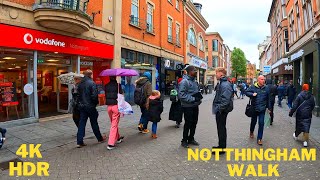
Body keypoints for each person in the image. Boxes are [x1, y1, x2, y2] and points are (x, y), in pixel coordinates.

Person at [76, 69, 106, 148]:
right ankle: (99, 138)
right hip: (90, 106)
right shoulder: (92, 83)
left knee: (81, 123)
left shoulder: (80, 84)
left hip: (82, 106)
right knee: (94, 123)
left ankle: (79, 141)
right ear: (90, 75)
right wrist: (95, 103)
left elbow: (77, 95)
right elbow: (94, 96)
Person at [178, 65, 202, 148]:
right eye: (194, 70)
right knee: (188, 123)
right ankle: (184, 140)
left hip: (195, 106)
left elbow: (196, 91)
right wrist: (193, 99)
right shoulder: (184, 82)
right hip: (187, 106)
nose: (196, 71)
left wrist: (199, 98)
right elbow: (181, 95)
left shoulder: (195, 81)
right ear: (190, 72)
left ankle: (191, 138)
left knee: (194, 123)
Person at [212, 67, 233, 154]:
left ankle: (222, 148)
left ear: (221, 73)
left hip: (222, 110)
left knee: (221, 128)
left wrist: (219, 109)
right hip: (221, 109)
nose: (215, 74)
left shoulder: (225, 84)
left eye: (216, 73)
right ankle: (221, 146)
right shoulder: (222, 83)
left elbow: (226, 99)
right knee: (221, 128)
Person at [245, 75, 271, 146]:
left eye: (264, 79)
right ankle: (251, 131)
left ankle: (259, 138)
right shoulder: (253, 87)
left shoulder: (266, 88)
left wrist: (269, 108)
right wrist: (252, 94)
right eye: (262, 79)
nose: (263, 81)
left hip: (262, 109)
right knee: (253, 122)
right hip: (254, 108)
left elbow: (268, 98)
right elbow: (246, 92)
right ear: (258, 80)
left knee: (261, 123)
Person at [105, 76, 124, 150]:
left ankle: (118, 138)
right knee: (114, 125)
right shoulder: (118, 85)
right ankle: (111, 143)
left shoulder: (106, 85)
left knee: (113, 123)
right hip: (116, 106)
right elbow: (121, 95)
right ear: (115, 78)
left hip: (109, 107)